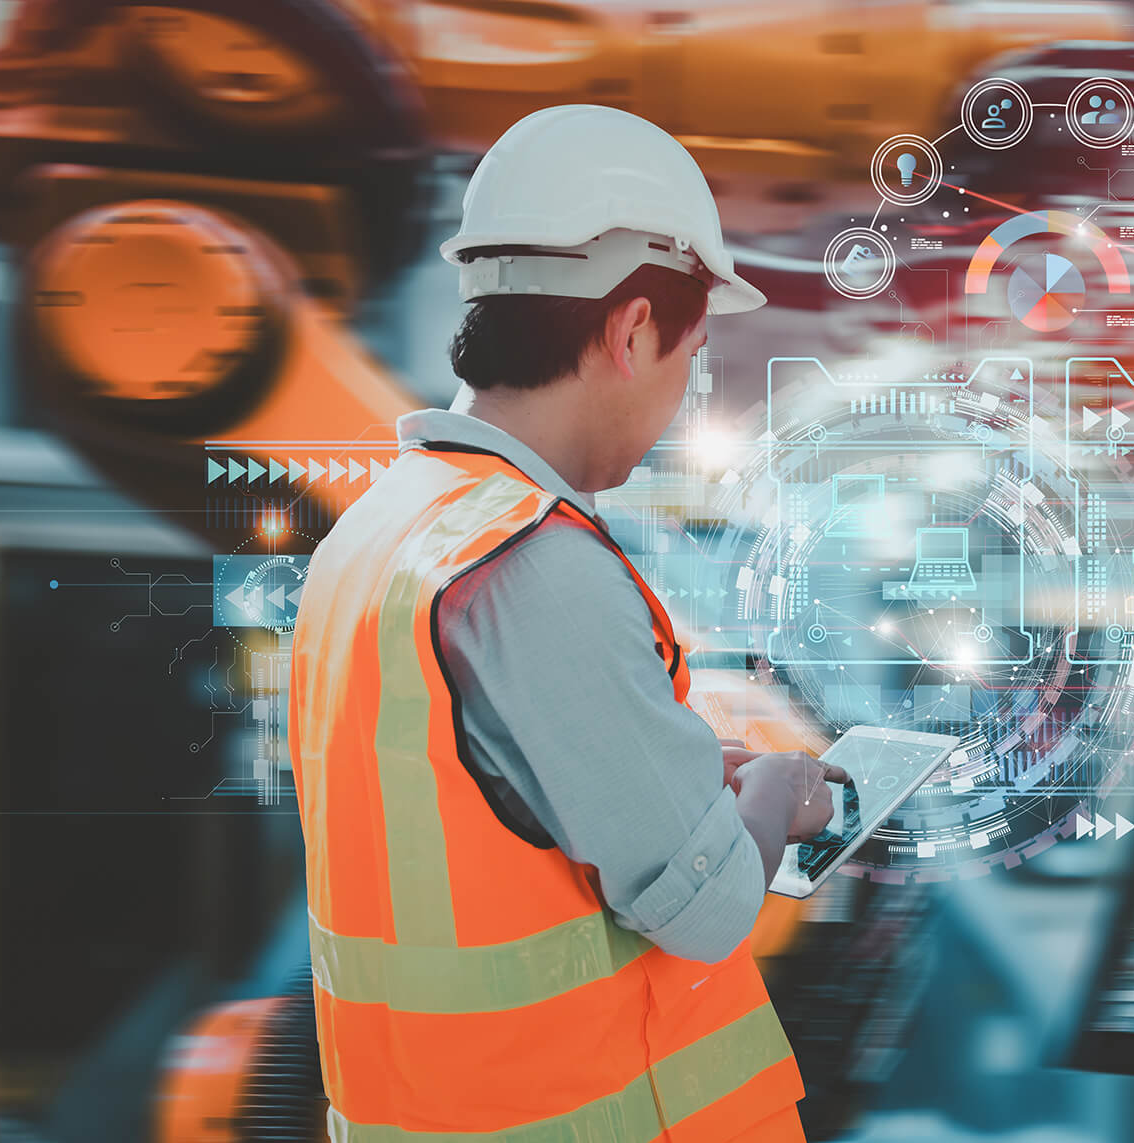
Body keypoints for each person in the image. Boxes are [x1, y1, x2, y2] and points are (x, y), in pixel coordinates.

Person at [288, 104, 845, 1143]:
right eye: (691, 357)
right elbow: (706, 907)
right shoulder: (533, 563)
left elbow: (475, 806)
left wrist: (680, 774)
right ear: (631, 332)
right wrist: (778, 790)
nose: (681, 399)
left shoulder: (378, 532)